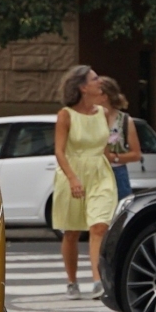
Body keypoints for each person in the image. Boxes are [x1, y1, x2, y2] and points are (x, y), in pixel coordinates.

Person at [51, 64, 117, 299]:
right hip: (73, 172)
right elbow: (59, 151)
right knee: (72, 232)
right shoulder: (66, 115)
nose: (100, 81)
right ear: (83, 87)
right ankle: (72, 281)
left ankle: (98, 281)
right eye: (95, 78)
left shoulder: (103, 112)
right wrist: (72, 178)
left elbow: (105, 148)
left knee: (99, 226)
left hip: (100, 173)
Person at [99, 76, 141, 204]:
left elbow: (136, 154)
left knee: (119, 213)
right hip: (94, 172)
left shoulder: (124, 121)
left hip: (117, 172)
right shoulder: (88, 118)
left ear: (104, 96)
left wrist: (113, 157)